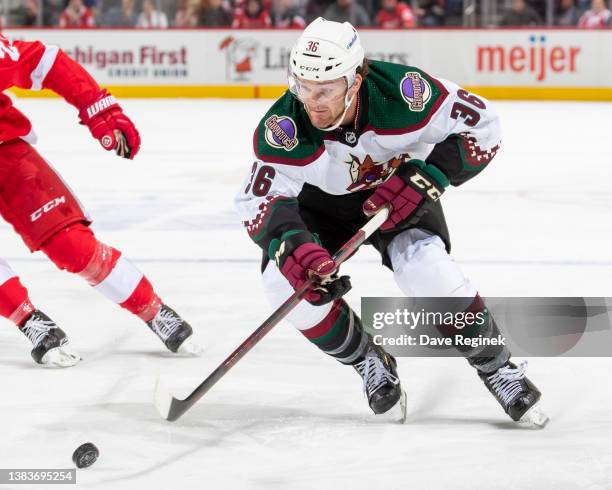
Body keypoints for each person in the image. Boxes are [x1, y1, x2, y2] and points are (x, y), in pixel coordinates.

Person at [234, 17, 547, 425]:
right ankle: (368, 359)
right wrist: (293, 246)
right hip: (321, 209)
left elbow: (482, 125)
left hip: (400, 193)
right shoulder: (284, 127)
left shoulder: (404, 93)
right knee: (283, 286)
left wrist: (429, 177)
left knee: (429, 273)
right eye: (304, 86)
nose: (313, 101)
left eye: (325, 89)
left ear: (356, 80)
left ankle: (496, 366)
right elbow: (259, 199)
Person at [0, 34, 200, 367]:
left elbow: (42, 62)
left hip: (6, 153)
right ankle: (27, 318)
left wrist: (97, 107)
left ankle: (152, 309)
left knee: (72, 245)